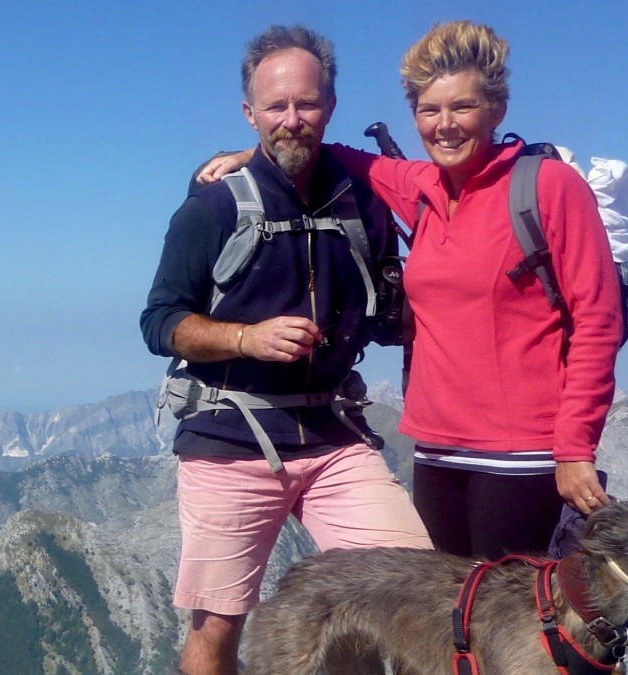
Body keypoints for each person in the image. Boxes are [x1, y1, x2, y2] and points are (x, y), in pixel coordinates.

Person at [195, 21, 621, 560]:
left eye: (462, 108)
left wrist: (575, 448)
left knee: (505, 629)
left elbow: (597, 320)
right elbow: (353, 159)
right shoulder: (423, 188)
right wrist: (254, 158)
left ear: (497, 110)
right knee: (447, 624)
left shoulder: (549, 188)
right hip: (437, 448)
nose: (444, 126)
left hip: (521, 453)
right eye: (429, 111)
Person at [141, 25, 432, 675]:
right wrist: (248, 337)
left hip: (332, 434)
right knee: (218, 623)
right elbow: (161, 321)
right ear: (251, 113)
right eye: (276, 107)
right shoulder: (213, 209)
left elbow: (386, 311)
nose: (292, 120)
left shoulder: (363, 203)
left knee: (418, 592)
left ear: (329, 106)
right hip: (230, 430)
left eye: (306, 104)